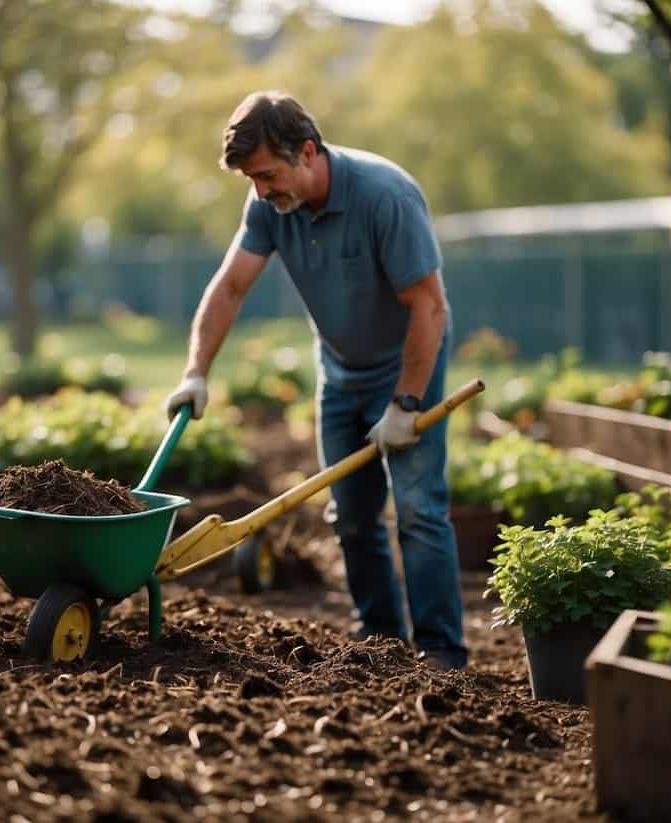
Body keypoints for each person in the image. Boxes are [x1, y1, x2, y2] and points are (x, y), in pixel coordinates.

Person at [164, 91, 467, 669]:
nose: (260, 192)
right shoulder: (270, 208)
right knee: (351, 516)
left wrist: (406, 402)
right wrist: (195, 373)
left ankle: (441, 655)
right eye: (251, 180)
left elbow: (429, 307)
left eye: (268, 175)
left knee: (418, 509)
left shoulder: (385, 196)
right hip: (339, 370)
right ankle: (381, 644)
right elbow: (229, 288)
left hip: (406, 366)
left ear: (308, 151)